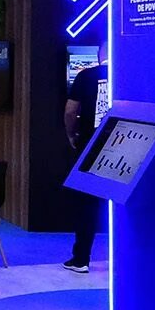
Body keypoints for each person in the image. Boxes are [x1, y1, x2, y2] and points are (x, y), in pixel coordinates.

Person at [62, 60, 108, 273]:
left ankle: (81, 259)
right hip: (126, 144)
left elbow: (70, 111)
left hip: (90, 145)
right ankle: (128, 261)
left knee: (86, 204)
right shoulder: (129, 72)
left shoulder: (86, 75)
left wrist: (71, 135)